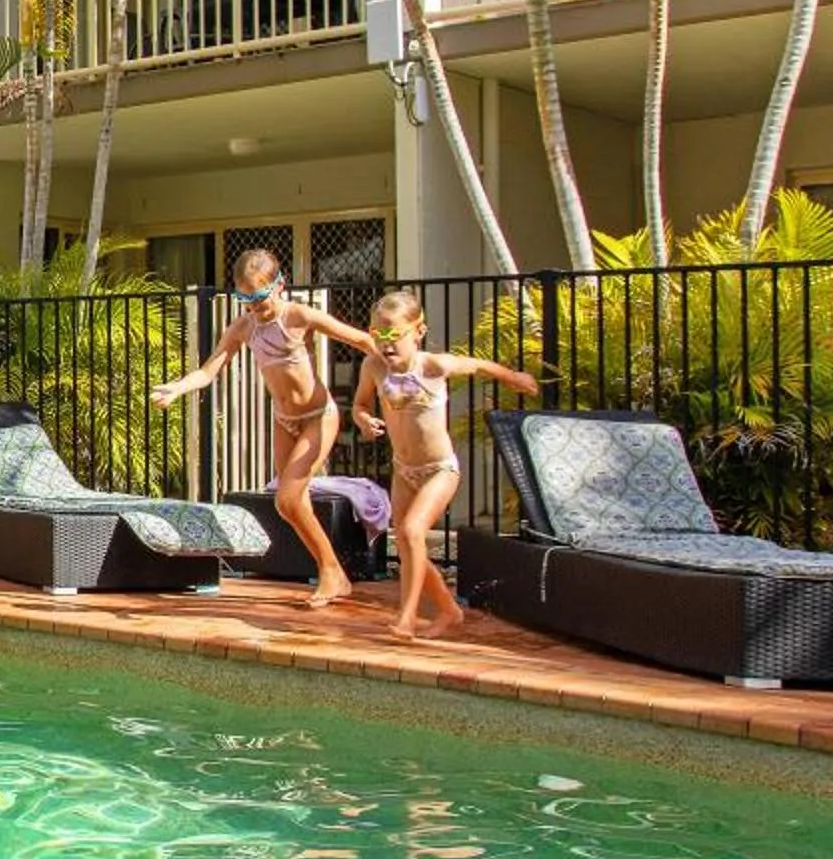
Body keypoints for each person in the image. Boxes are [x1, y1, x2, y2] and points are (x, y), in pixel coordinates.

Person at [151, 248, 379, 607]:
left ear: (280, 285)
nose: (255, 307)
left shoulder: (299, 316)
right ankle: (333, 571)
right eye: (245, 300)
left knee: (288, 497)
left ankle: (331, 570)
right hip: (284, 420)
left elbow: (361, 340)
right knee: (288, 505)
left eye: (259, 298)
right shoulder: (244, 327)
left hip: (318, 416)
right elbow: (209, 370)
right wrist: (178, 388)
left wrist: (400, 368)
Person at [351, 289, 541, 641]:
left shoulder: (433, 366)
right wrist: (363, 420)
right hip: (404, 470)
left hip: (440, 469)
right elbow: (360, 404)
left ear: (418, 331)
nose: (385, 343)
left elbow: (478, 366)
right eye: (378, 334)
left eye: (394, 334)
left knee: (411, 532)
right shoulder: (373, 367)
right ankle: (448, 609)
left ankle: (407, 617)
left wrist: (514, 378)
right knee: (407, 543)